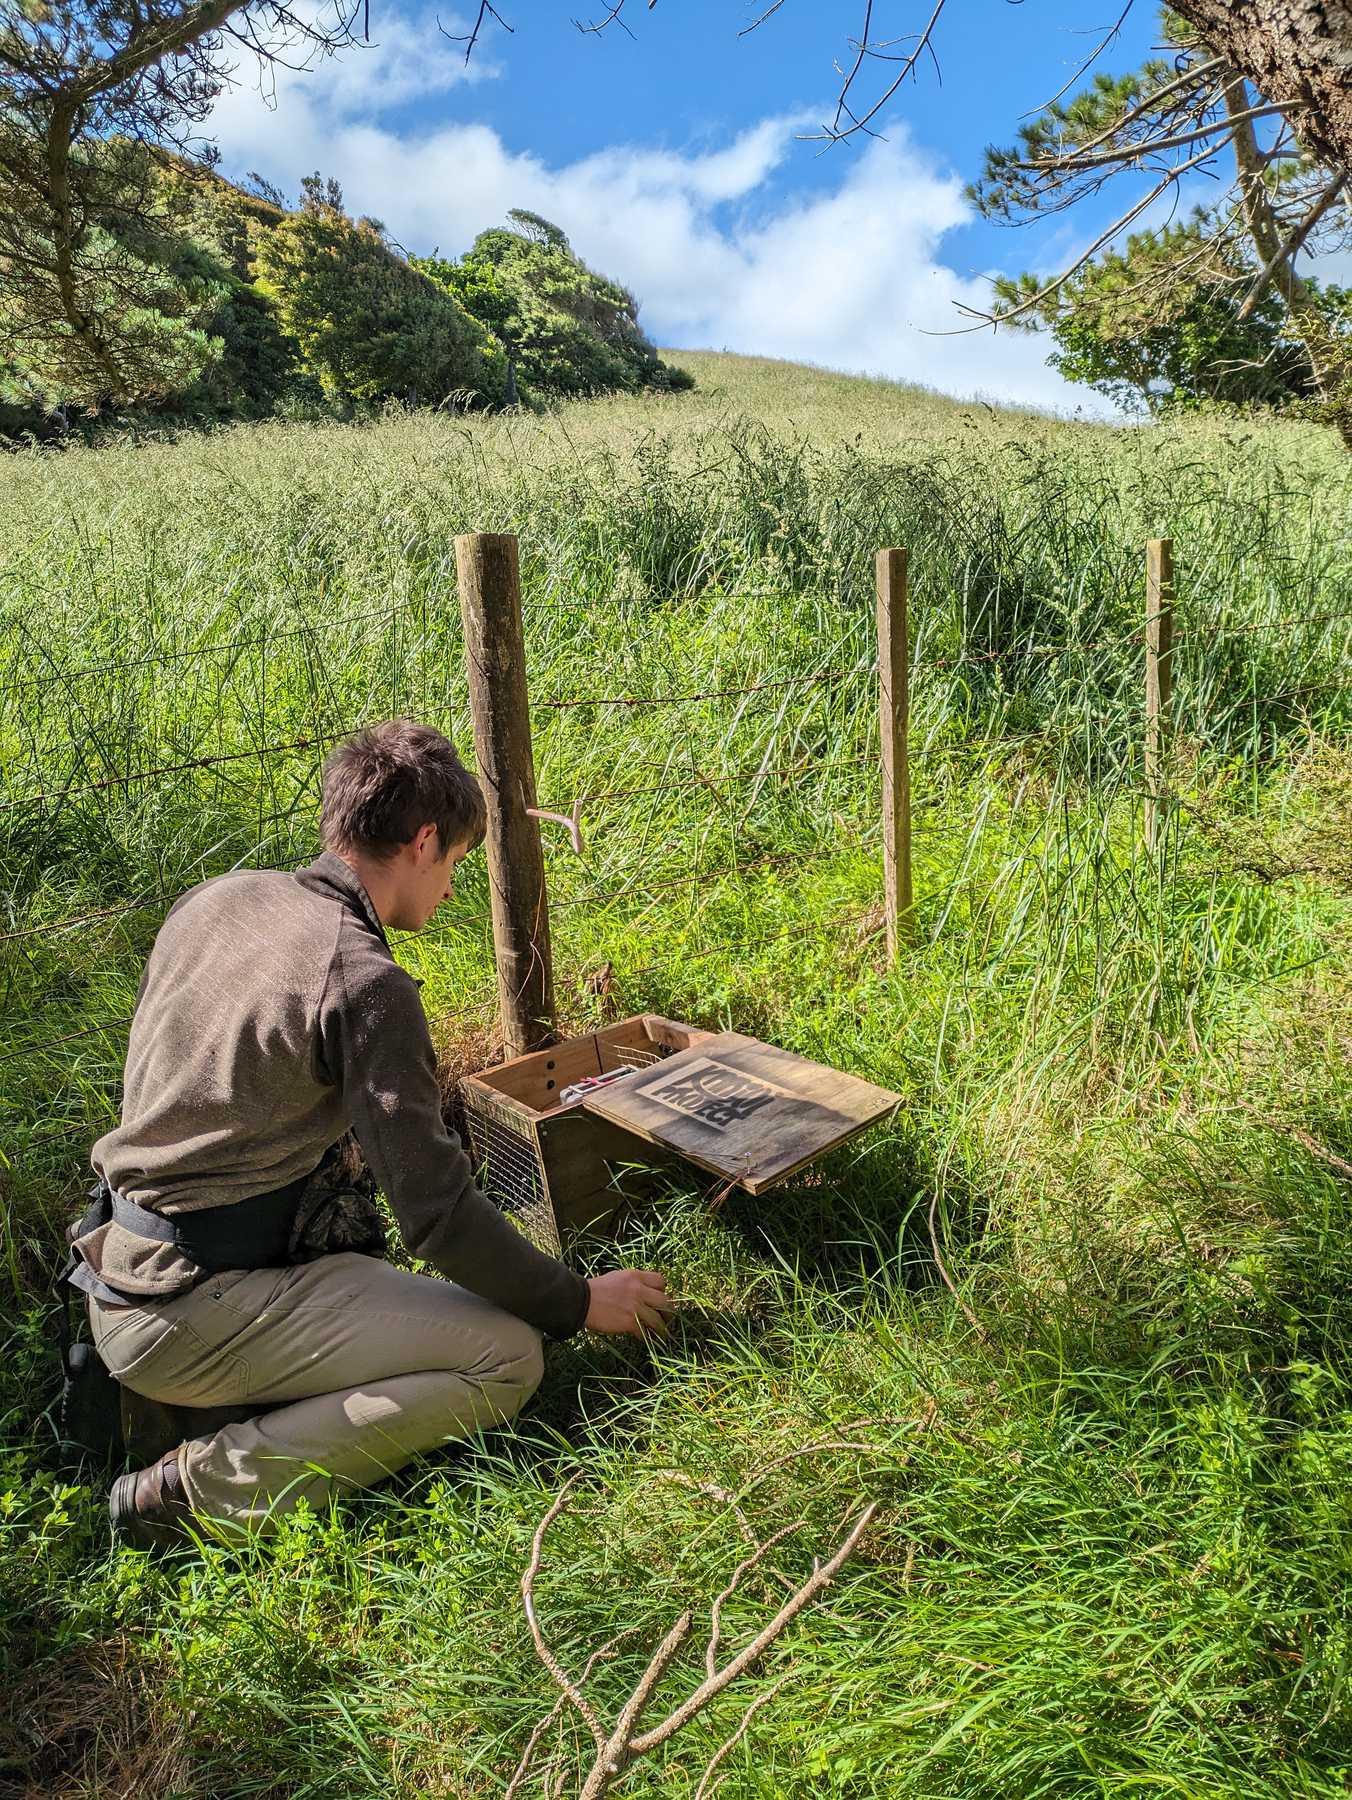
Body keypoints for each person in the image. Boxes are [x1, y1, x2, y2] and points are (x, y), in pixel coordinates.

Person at [66, 719, 675, 1548]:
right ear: (423, 841)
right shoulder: (363, 980)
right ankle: (197, 1489)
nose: (452, 889)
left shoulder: (216, 900)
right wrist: (576, 1303)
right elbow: (437, 1216)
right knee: (508, 1357)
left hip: (117, 1264)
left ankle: (195, 1392)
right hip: (189, 1306)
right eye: (455, 863)